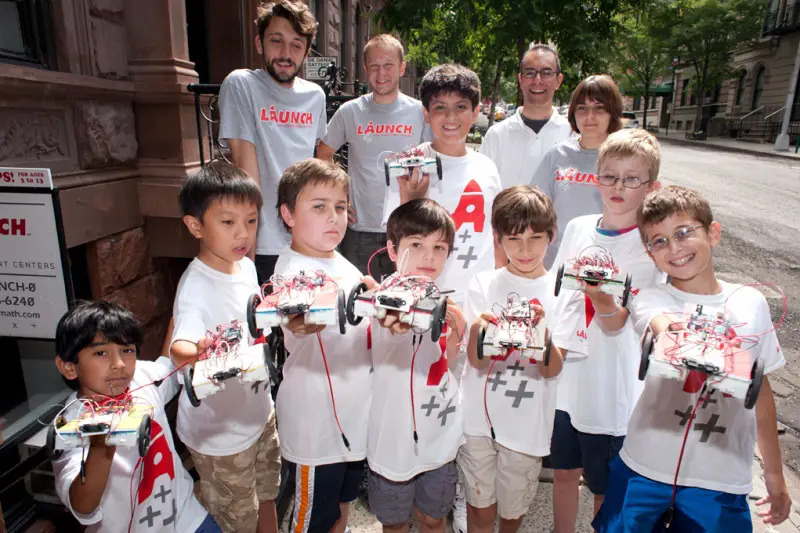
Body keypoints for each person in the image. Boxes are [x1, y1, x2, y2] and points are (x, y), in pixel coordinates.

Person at [592, 186, 792, 531]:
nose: (675, 248)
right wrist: (673, 333)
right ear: (650, 253)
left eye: (684, 233)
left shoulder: (751, 303)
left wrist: (774, 474)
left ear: (713, 233)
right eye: (659, 241)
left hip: (720, 477)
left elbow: (761, 392)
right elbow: (659, 325)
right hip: (645, 465)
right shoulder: (651, 298)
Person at [548, 129, 665, 533]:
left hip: (608, 384)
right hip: (567, 377)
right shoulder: (579, 227)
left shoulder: (649, 248)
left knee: (604, 483)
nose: (618, 186)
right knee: (563, 471)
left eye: (632, 178)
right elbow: (555, 288)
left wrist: (601, 299)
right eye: (609, 175)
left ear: (652, 187)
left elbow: (623, 321)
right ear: (594, 177)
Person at [170, 161, 279, 533]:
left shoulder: (244, 266)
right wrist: (198, 349)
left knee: (267, 495)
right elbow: (178, 347)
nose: (243, 233)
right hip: (220, 437)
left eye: (251, 220)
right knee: (237, 520)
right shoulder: (195, 287)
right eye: (228, 222)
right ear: (195, 225)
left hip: (258, 413)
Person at [52, 301, 218, 533]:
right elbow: (82, 506)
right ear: (69, 367)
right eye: (100, 353)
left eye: (127, 350)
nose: (119, 364)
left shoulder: (141, 375)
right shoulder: (70, 425)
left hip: (186, 518)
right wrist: (100, 447)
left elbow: (166, 368)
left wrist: (182, 327)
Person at [458, 186, 564, 533]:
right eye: (514, 239)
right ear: (498, 238)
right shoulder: (483, 283)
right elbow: (475, 360)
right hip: (477, 418)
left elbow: (553, 368)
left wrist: (540, 333)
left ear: (551, 236)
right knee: (479, 507)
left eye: (536, 238)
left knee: (512, 510)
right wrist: (478, 328)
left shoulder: (561, 294)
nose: (525, 249)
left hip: (527, 424)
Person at [273, 158, 371, 533]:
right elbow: (295, 316)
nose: (334, 217)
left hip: (353, 415)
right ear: (288, 214)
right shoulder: (292, 271)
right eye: (319, 207)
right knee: (311, 519)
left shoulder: (341, 263)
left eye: (340, 207)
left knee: (342, 507)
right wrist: (302, 317)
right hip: (317, 427)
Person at [366, 198, 466, 533]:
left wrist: (456, 331)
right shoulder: (379, 302)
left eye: (439, 247)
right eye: (416, 245)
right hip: (390, 440)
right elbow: (386, 327)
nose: (429, 256)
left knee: (433, 519)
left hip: (439, 435)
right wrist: (392, 317)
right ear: (392, 250)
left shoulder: (447, 302)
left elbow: (447, 361)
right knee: (394, 523)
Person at [219, 0, 326, 283]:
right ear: (259, 43)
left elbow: (314, 166)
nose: (285, 54)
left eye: (296, 45)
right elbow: (245, 168)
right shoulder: (241, 85)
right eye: (276, 41)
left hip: (305, 239)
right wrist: (247, 252)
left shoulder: (315, 96)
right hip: (261, 242)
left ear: (306, 51)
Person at [381, 63, 502, 308]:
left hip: (476, 297)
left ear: (476, 111)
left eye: (461, 107)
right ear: (426, 113)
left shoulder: (487, 167)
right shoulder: (409, 166)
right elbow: (395, 239)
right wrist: (412, 202)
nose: (451, 117)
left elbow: (495, 237)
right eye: (439, 108)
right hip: (422, 296)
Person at [317, 34, 428, 279]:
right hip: (360, 229)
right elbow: (323, 154)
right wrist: (340, 198)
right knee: (359, 299)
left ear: (401, 67)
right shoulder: (350, 112)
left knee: (404, 300)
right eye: (374, 67)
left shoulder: (419, 113)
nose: (381, 74)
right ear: (366, 69)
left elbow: (435, 162)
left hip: (406, 226)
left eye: (388, 65)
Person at [531, 74, 624, 268]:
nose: (589, 116)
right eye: (582, 108)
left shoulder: (625, 158)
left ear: (612, 112)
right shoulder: (557, 155)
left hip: (607, 262)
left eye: (599, 108)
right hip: (557, 262)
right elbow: (535, 208)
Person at [480, 43, 572, 190]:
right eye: (530, 73)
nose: (537, 80)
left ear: (558, 80)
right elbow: (483, 191)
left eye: (546, 73)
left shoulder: (572, 134)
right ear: (520, 79)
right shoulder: (496, 135)